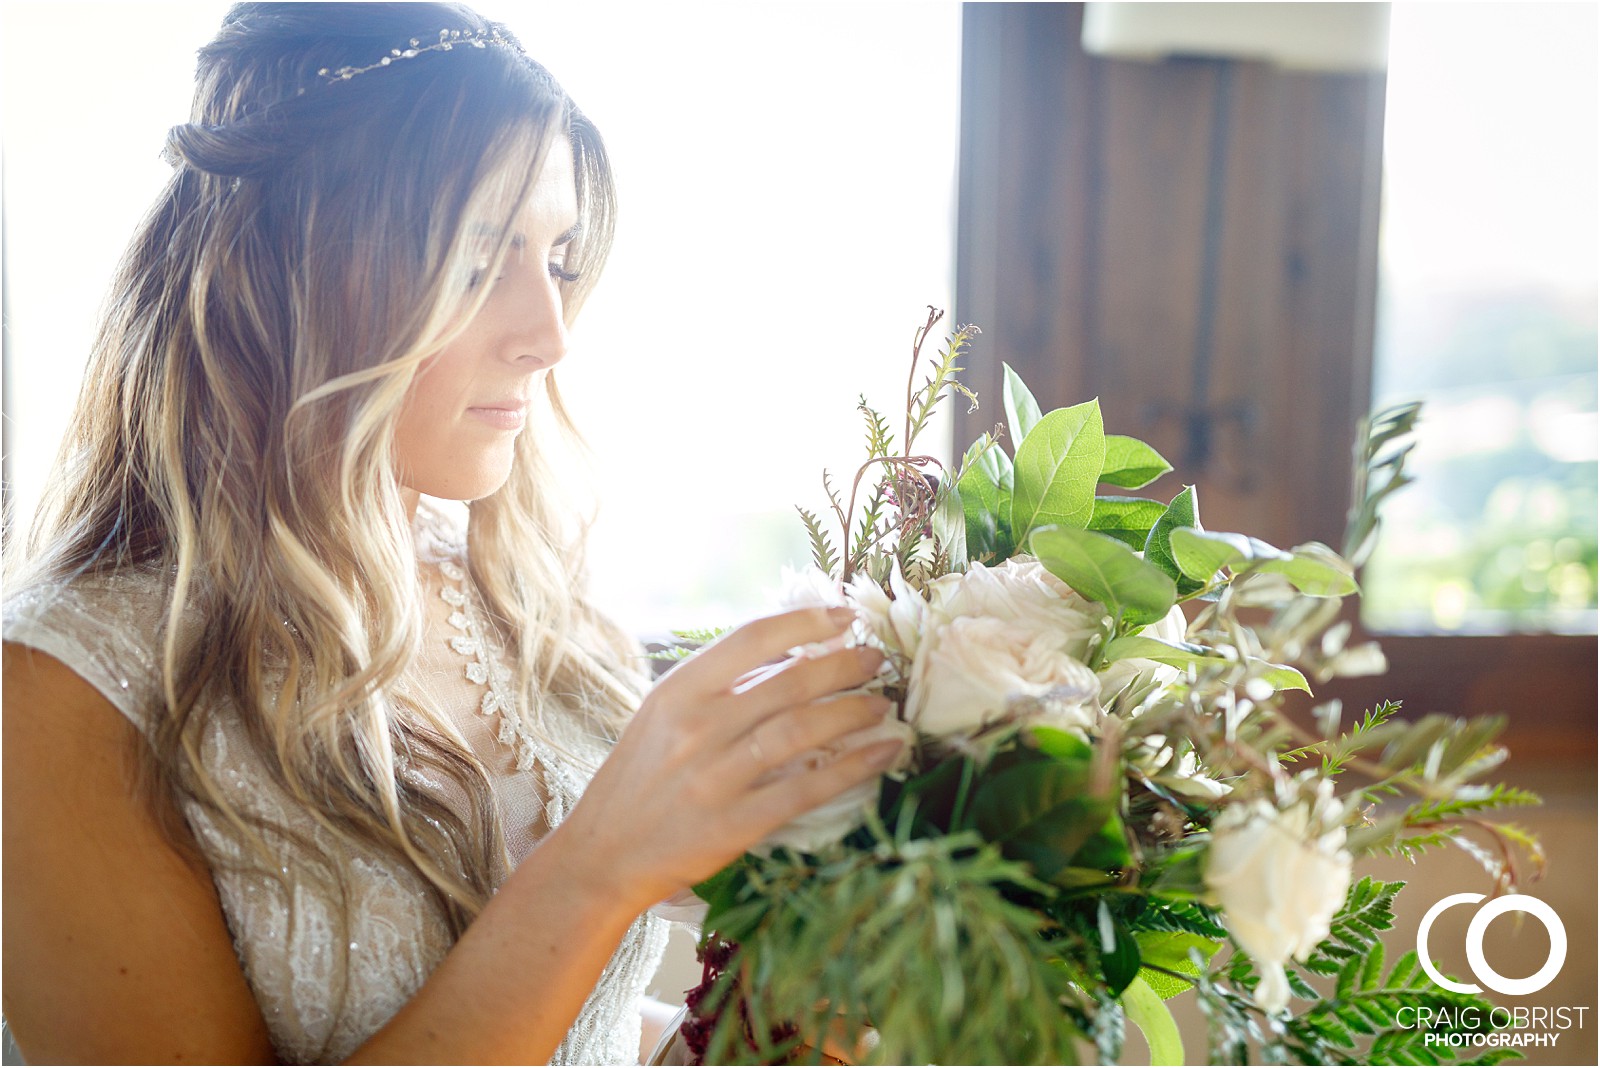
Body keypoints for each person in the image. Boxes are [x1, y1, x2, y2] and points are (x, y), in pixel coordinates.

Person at [0, 3, 904, 1063]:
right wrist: (599, 864)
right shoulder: (57, 694)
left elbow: (586, 1035)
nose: (549, 335)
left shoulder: (516, 595)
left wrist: (754, 1033)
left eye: (557, 255)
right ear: (284, 274)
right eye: (477, 261)